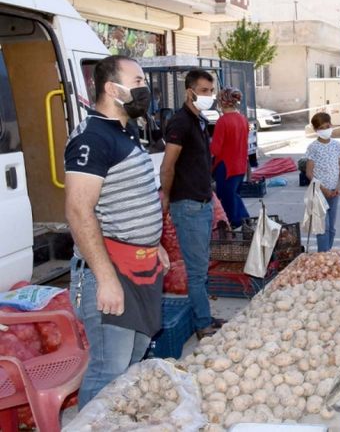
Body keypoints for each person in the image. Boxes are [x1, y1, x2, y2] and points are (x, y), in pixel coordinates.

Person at [65, 55, 169, 408]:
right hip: (110, 271)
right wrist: (105, 279)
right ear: (112, 88)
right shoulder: (92, 138)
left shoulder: (122, 130)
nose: (145, 89)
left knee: (135, 354)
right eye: (138, 80)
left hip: (138, 267)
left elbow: (129, 195)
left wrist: (153, 243)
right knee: (110, 368)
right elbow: (79, 212)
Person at [160, 69, 222, 340]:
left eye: (211, 91)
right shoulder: (180, 123)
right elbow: (168, 166)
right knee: (196, 271)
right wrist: (165, 196)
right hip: (188, 206)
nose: (209, 96)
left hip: (202, 202)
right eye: (204, 91)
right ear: (190, 92)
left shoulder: (198, 120)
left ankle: (204, 315)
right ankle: (202, 325)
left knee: (201, 267)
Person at [210, 87, 250, 228]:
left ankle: (237, 226)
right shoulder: (243, 119)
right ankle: (245, 220)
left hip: (225, 166)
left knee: (227, 200)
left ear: (222, 102)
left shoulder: (222, 121)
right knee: (235, 196)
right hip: (240, 165)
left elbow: (215, 149)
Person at [305, 112, 340, 252]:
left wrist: (339, 187)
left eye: (327, 126)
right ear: (316, 130)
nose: (326, 129)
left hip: (334, 192)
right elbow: (309, 172)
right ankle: (323, 255)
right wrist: (322, 188)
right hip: (319, 192)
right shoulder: (313, 147)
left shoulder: (337, 145)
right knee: (323, 226)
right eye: (321, 128)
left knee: (332, 227)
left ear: (331, 125)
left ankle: (328, 251)